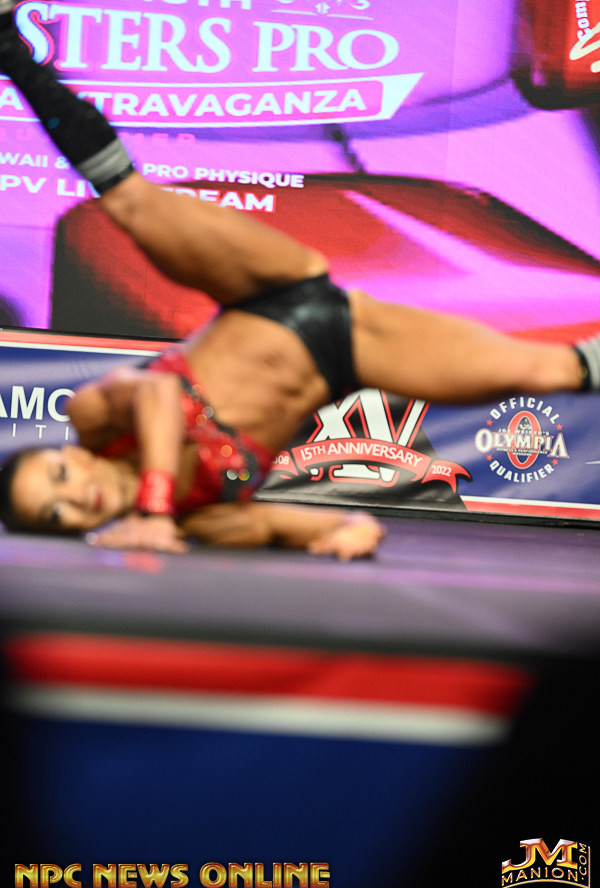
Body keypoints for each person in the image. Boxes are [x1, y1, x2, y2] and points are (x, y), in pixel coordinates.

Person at [0, 3, 597, 558]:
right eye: (55, 513)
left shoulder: (95, 420)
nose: (74, 495)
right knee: (555, 371)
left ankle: (8, 44)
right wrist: (347, 532)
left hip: (271, 294)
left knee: (129, 200)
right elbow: (293, 525)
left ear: (70, 455)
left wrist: (153, 509)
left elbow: (157, 395)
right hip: (347, 346)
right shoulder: (200, 517)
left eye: (59, 475)